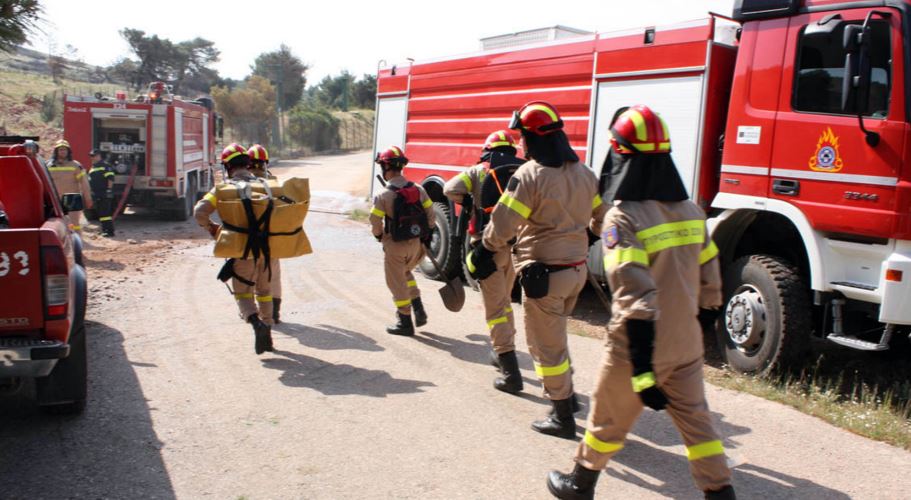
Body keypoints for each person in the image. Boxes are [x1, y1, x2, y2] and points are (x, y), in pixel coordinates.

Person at [546, 105, 734, 500]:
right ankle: (720, 493)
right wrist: (691, 332)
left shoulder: (623, 219)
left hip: (640, 345)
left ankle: (580, 485)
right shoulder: (692, 212)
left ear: (620, 156)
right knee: (699, 425)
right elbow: (712, 286)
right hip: (686, 343)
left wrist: (646, 370)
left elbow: (635, 295)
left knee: (606, 417)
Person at [473, 101, 607, 438]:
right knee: (555, 336)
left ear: (534, 138)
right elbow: (601, 219)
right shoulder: (585, 173)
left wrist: (485, 248)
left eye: (523, 137)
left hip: (543, 275)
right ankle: (567, 395)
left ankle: (561, 414)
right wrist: (585, 238)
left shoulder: (529, 175)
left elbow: (504, 222)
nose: (520, 144)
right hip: (576, 273)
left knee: (545, 347)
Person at [444, 130, 525, 393]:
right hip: (516, 247)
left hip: (488, 247)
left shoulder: (480, 170)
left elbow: (449, 188)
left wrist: (467, 199)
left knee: (494, 307)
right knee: (505, 300)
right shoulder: (523, 170)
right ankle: (504, 347)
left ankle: (508, 368)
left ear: (487, 149)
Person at [194, 143, 274, 354]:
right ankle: (268, 332)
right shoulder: (265, 185)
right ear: (247, 164)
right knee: (265, 292)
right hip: (267, 252)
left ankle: (257, 324)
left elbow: (199, 212)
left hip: (241, 252)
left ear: (228, 166)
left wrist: (211, 227)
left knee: (243, 294)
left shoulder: (222, 189)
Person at [369, 146, 435, 336]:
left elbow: (374, 221)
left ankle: (405, 322)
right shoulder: (419, 189)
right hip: (416, 245)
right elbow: (431, 216)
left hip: (395, 246)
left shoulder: (383, 195)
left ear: (386, 168)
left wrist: (380, 237)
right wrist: (425, 236)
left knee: (396, 284)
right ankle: (419, 309)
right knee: (406, 274)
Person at [247, 143, 283, 324]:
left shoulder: (244, 183)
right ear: (265, 163)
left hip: (249, 239)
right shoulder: (273, 183)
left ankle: (253, 313)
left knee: (250, 277)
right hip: (272, 239)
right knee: (273, 276)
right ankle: (274, 313)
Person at [46, 139, 92, 232]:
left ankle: (77, 242)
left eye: (65, 149)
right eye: (60, 149)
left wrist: (88, 198)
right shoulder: (48, 165)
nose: (63, 151)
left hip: (72, 199)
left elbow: (84, 183)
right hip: (54, 200)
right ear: (56, 151)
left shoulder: (76, 165)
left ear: (68, 151)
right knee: (55, 223)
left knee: (74, 224)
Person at [87, 149, 116, 237]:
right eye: (91, 156)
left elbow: (110, 178)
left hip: (104, 193)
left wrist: (108, 190)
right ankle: (105, 229)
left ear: (99, 156)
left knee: (105, 213)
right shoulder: (93, 167)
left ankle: (109, 231)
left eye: (94, 156)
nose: (92, 158)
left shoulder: (105, 166)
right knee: (101, 213)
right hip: (97, 193)